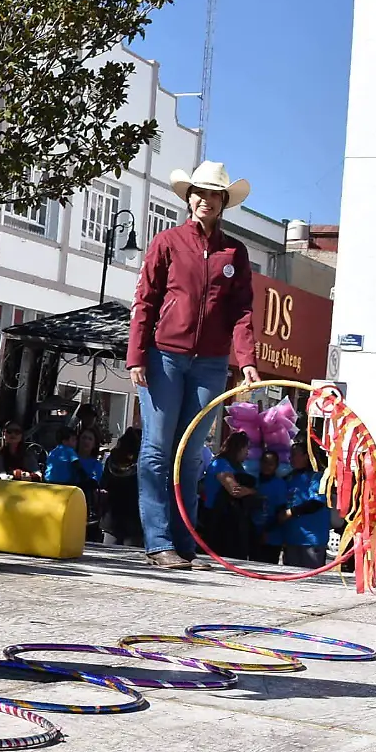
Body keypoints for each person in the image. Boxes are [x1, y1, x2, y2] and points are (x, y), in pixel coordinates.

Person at [128, 160, 261, 570]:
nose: (206, 200)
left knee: (190, 452)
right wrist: (136, 355)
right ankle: (158, 541)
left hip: (211, 363)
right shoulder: (167, 242)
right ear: (189, 198)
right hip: (164, 356)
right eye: (199, 192)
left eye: (215, 194)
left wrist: (247, 361)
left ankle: (185, 541)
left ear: (224, 202)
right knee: (156, 447)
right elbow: (145, 299)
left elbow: (241, 310)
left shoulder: (234, 252)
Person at [199, 430, 261, 559]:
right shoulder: (221, 464)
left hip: (233, 516)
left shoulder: (237, 466)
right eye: (246, 449)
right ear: (238, 448)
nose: (247, 453)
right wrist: (252, 491)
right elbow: (235, 490)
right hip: (218, 517)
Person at [270, 443, 332, 569]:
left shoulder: (317, 477)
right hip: (291, 539)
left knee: (310, 581)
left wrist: (290, 512)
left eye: (294, 455)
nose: (290, 458)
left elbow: (316, 503)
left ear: (305, 456)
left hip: (311, 541)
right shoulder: (289, 477)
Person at [101, 427, 144, 546]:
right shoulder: (143, 462)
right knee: (131, 554)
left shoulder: (112, 460)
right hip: (134, 518)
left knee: (108, 556)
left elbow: (104, 484)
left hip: (112, 517)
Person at [249, 450, 285, 565]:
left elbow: (281, 512)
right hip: (253, 534)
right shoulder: (253, 482)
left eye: (271, 463)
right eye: (264, 462)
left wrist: (266, 532)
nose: (267, 466)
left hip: (272, 537)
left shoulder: (280, 484)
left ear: (276, 466)